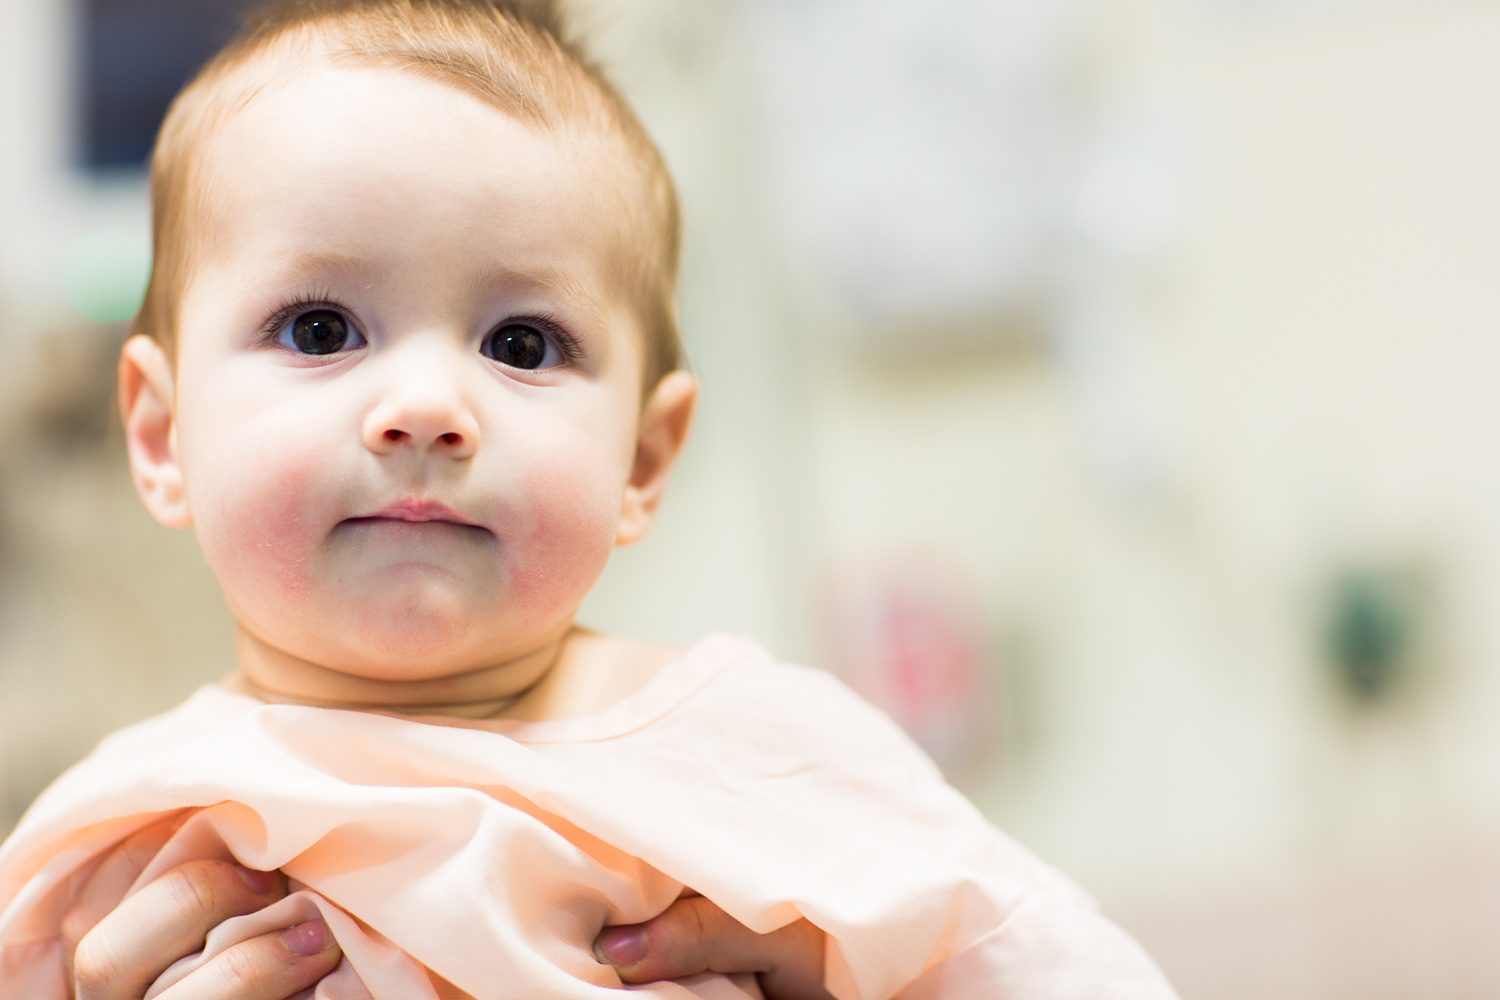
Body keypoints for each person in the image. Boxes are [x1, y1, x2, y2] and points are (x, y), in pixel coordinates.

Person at [0, 2, 1180, 998]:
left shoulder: (762, 763)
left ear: (643, 460)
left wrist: (833, 975)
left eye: (521, 341)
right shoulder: (117, 836)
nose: (423, 405)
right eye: (321, 328)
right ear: (160, 436)